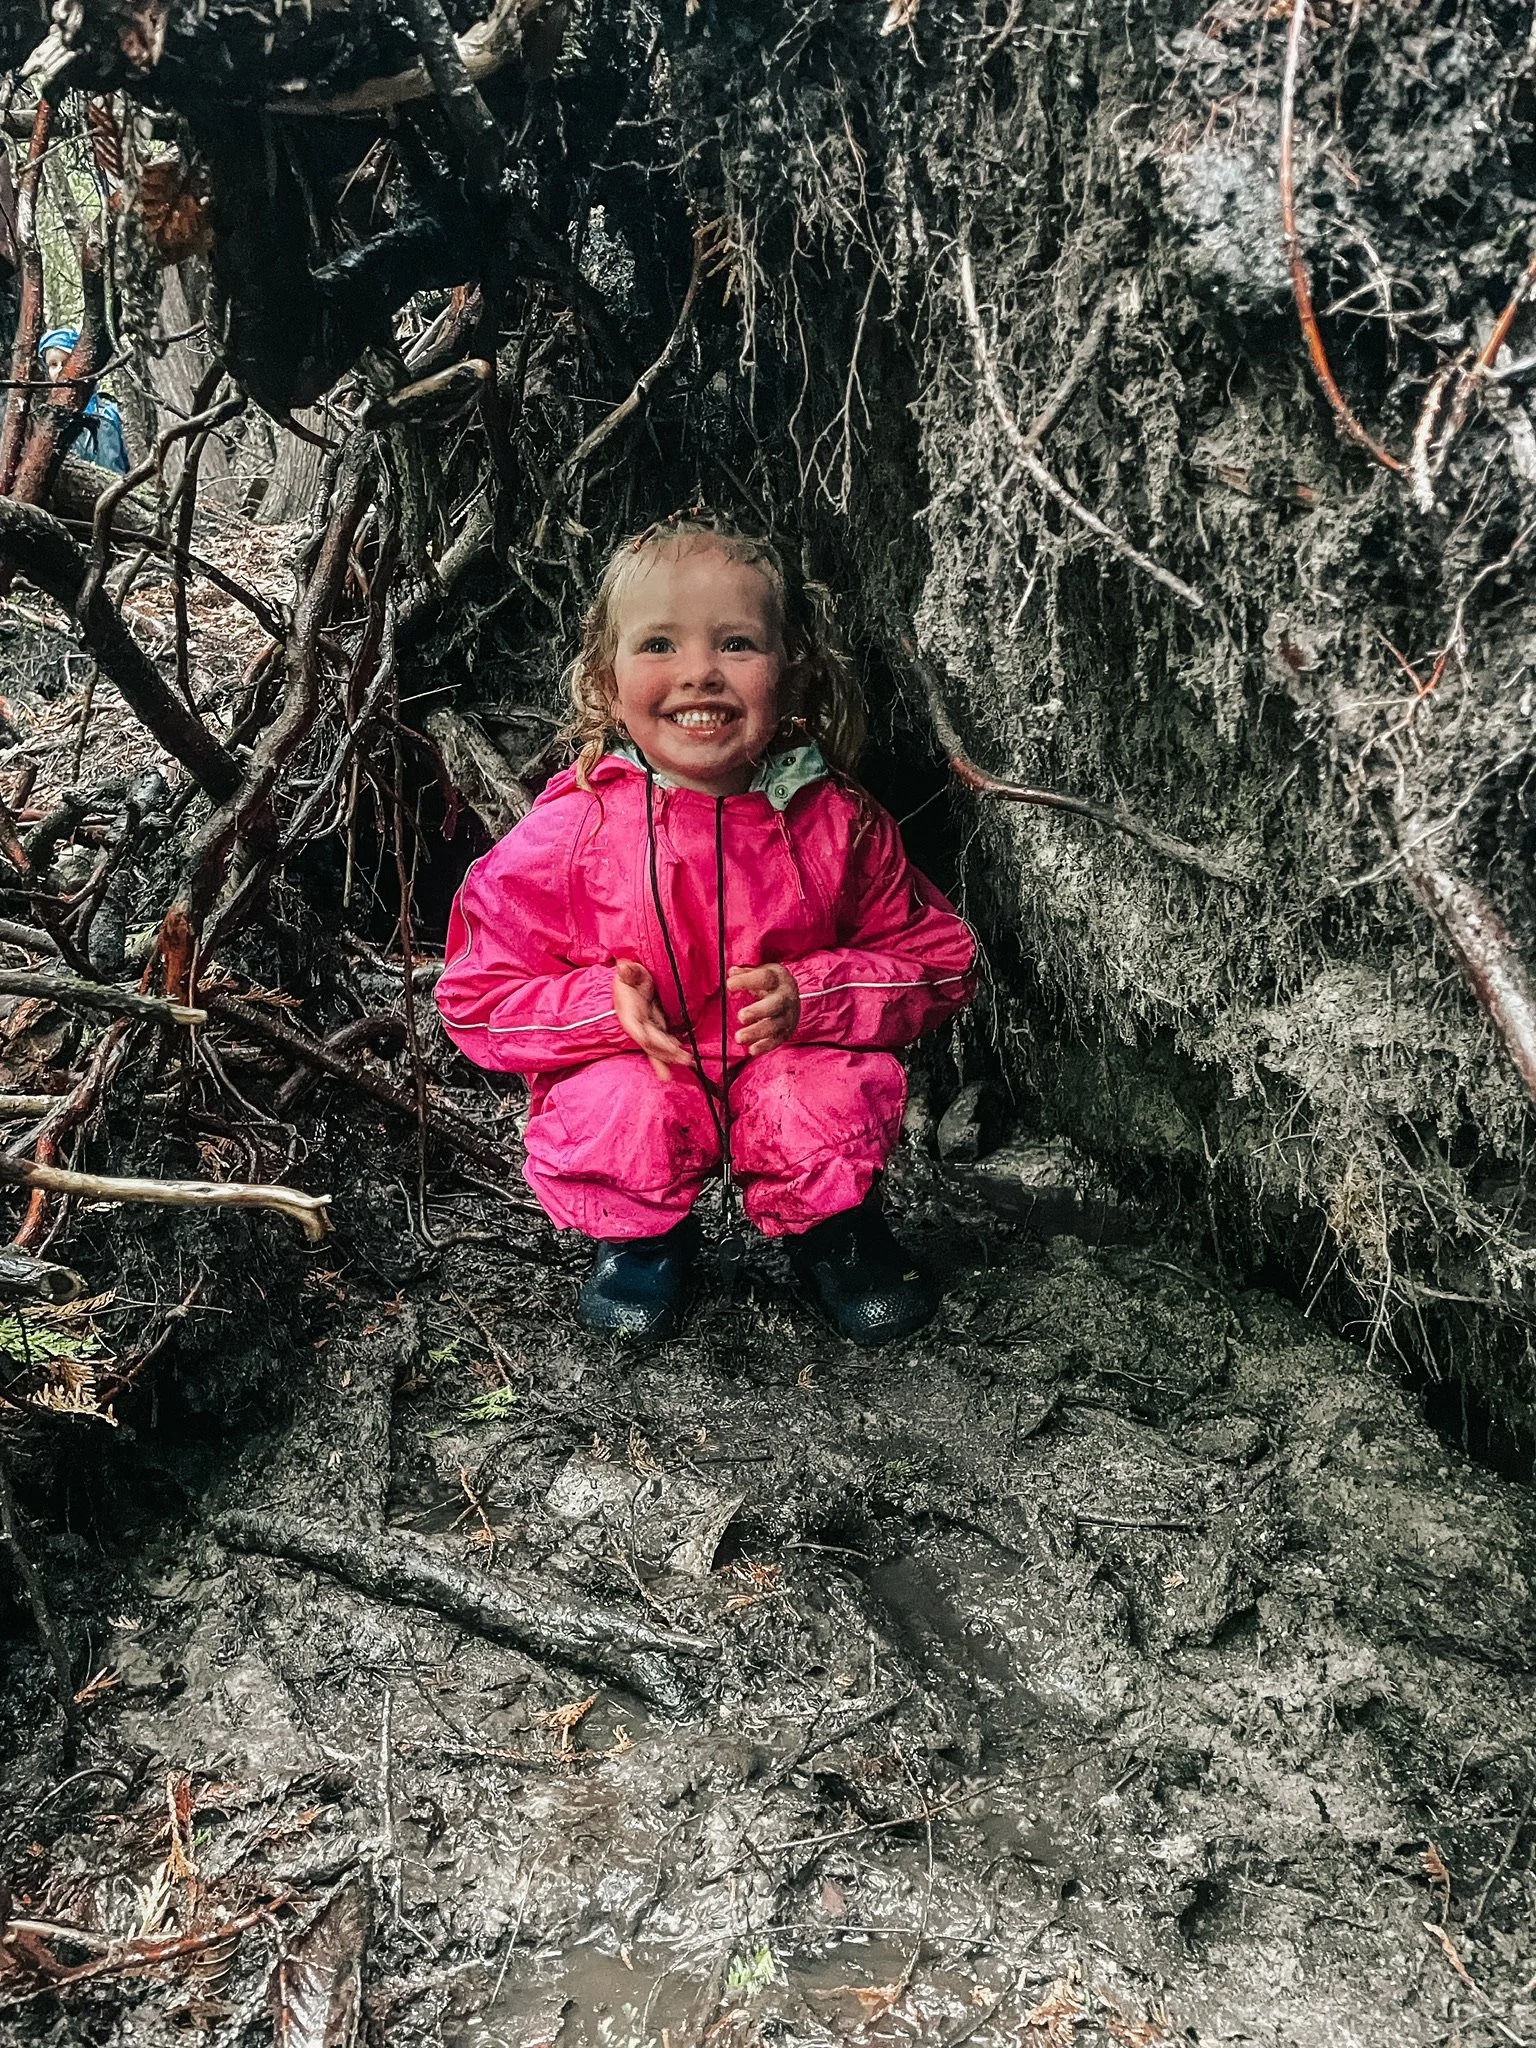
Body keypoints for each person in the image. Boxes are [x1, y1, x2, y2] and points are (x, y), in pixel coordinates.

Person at [435, 516, 977, 1345]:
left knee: (816, 1090)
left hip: (783, 1070)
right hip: (650, 1077)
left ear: (793, 676)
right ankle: (644, 1239)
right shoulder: (571, 831)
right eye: (658, 644)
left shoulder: (840, 822)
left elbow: (938, 960)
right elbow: (477, 995)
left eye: (735, 644)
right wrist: (599, 1009)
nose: (699, 674)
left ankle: (834, 1232)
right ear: (607, 683)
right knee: (621, 1098)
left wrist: (817, 995)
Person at [37, 326, 129, 474]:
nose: (60, 369)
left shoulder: (108, 412)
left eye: (66, 362)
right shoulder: (46, 416)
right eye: (53, 364)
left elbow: (121, 463)